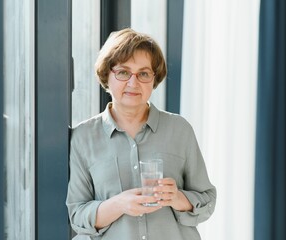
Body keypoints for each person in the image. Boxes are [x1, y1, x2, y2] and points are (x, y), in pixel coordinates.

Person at [66, 28, 216, 240]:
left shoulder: (180, 130)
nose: (133, 83)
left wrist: (177, 198)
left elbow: (208, 200)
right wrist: (119, 204)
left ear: (154, 79)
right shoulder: (83, 137)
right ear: (106, 75)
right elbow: (77, 215)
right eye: (123, 72)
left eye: (143, 73)